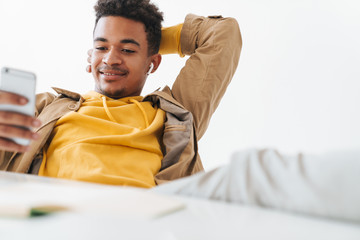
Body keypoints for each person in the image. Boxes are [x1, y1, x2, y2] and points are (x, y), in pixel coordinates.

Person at [0, 0, 242, 188]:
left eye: (127, 49)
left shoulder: (177, 113)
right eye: (101, 47)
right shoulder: (45, 108)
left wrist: (152, 41)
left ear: (153, 63)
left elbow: (224, 33)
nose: (110, 59)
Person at [153, 148, 360, 222]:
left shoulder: (167, 108)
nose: (118, 57)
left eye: (127, 49)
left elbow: (249, 177)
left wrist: (146, 199)